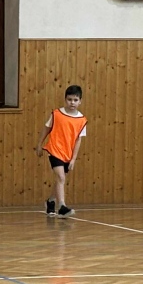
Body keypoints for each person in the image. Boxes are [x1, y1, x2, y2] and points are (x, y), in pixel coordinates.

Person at [35, 84, 87, 218]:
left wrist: (73, 158)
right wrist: (39, 144)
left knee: (60, 180)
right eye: (69, 99)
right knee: (61, 177)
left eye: (75, 100)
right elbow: (46, 129)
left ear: (80, 101)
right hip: (54, 149)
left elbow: (78, 140)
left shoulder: (82, 120)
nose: (72, 103)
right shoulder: (57, 114)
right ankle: (62, 206)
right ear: (65, 99)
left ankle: (51, 200)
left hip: (67, 153)